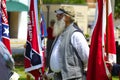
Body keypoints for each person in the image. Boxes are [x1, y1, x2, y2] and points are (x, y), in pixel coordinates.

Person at [49, 6, 89, 80]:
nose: (56, 16)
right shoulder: (60, 32)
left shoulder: (75, 34)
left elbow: (86, 56)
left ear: (67, 17)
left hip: (73, 77)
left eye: (60, 14)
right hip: (58, 76)